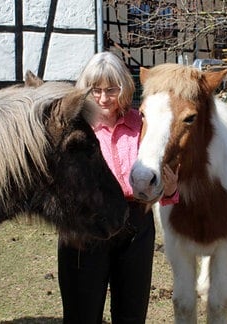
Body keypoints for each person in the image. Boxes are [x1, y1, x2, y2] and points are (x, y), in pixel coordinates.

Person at [57, 51, 179, 324]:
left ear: (124, 87)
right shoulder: (74, 128)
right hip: (85, 229)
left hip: (135, 225)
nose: (103, 98)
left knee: (131, 314)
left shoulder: (141, 124)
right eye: (95, 90)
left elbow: (159, 179)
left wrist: (170, 190)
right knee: (81, 315)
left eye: (111, 89)